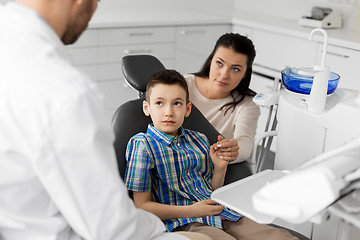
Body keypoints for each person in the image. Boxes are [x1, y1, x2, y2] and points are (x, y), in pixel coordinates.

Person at [0, 1, 211, 240]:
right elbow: (113, 228)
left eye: (177, 103)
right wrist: (166, 222)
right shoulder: (66, 93)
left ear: (187, 108)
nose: (92, 13)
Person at [124, 69, 298, 240]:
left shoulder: (198, 139)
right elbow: (142, 207)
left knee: (281, 237)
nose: (168, 112)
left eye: (177, 103)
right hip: (185, 222)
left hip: (225, 213)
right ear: (147, 108)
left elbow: (211, 191)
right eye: (159, 103)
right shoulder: (142, 145)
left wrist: (219, 168)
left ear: (187, 108)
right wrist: (193, 211)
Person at [184, 33, 260, 163]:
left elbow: (245, 143)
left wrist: (233, 149)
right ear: (211, 60)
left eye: (235, 69)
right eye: (219, 63)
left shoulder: (247, 105)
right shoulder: (183, 85)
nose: (224, 74)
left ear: (245, 74)